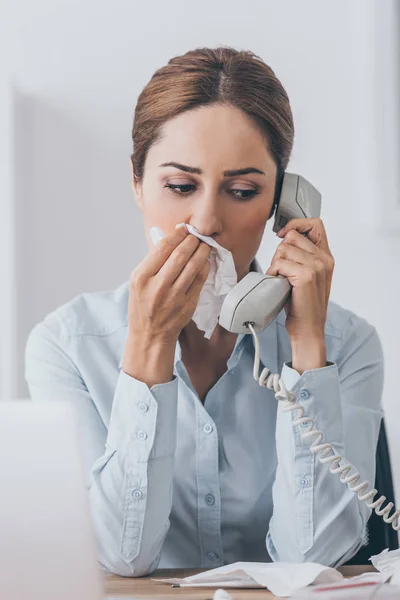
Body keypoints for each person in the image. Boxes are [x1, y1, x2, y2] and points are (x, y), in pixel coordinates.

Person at [25, 46, 384, 576]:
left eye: (242, 191)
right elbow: (119, 558)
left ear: (282, 203)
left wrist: (308, 349)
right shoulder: (66, 344)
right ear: (137, 185)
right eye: (179, 186)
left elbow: (314, 562)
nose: (207, 220)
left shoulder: (348, 345)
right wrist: (148, 345)